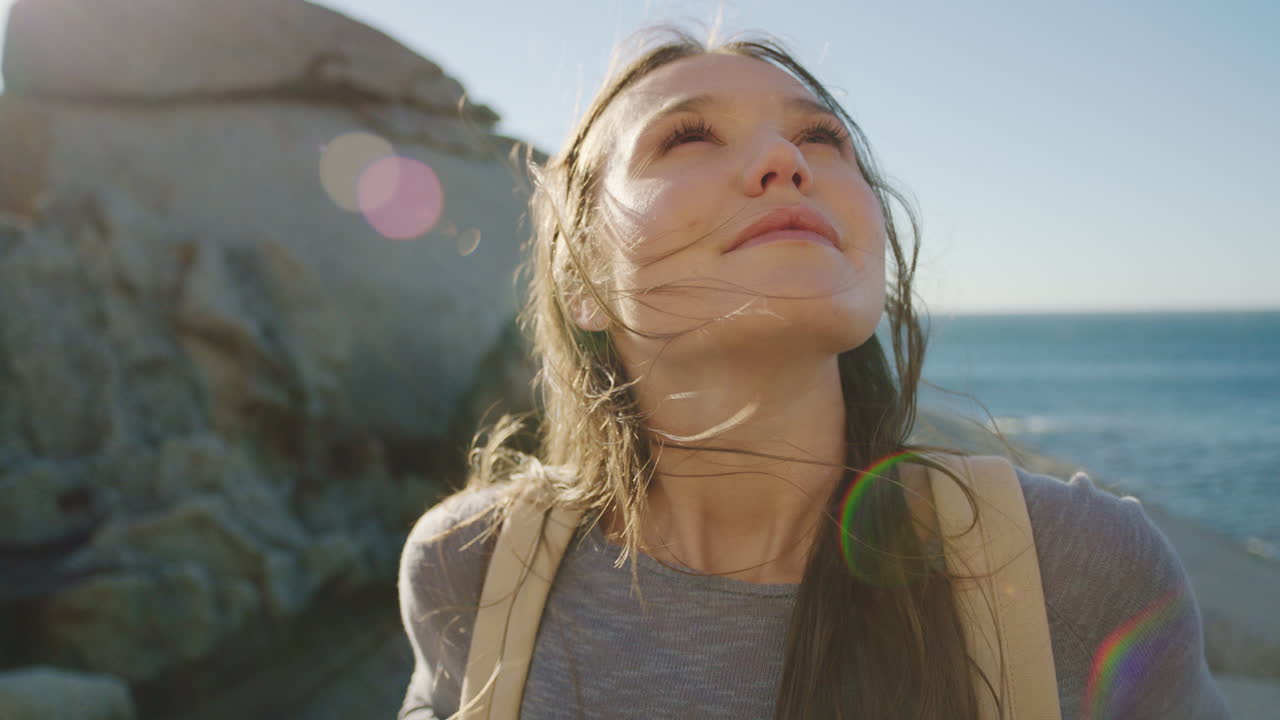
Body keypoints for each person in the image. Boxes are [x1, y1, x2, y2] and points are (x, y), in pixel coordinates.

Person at [397, 24, 1230, 719]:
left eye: (821, 138)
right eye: (687, 136)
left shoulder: (1082, 571)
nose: (784, 162)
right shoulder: (471, 568)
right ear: (580, 281)